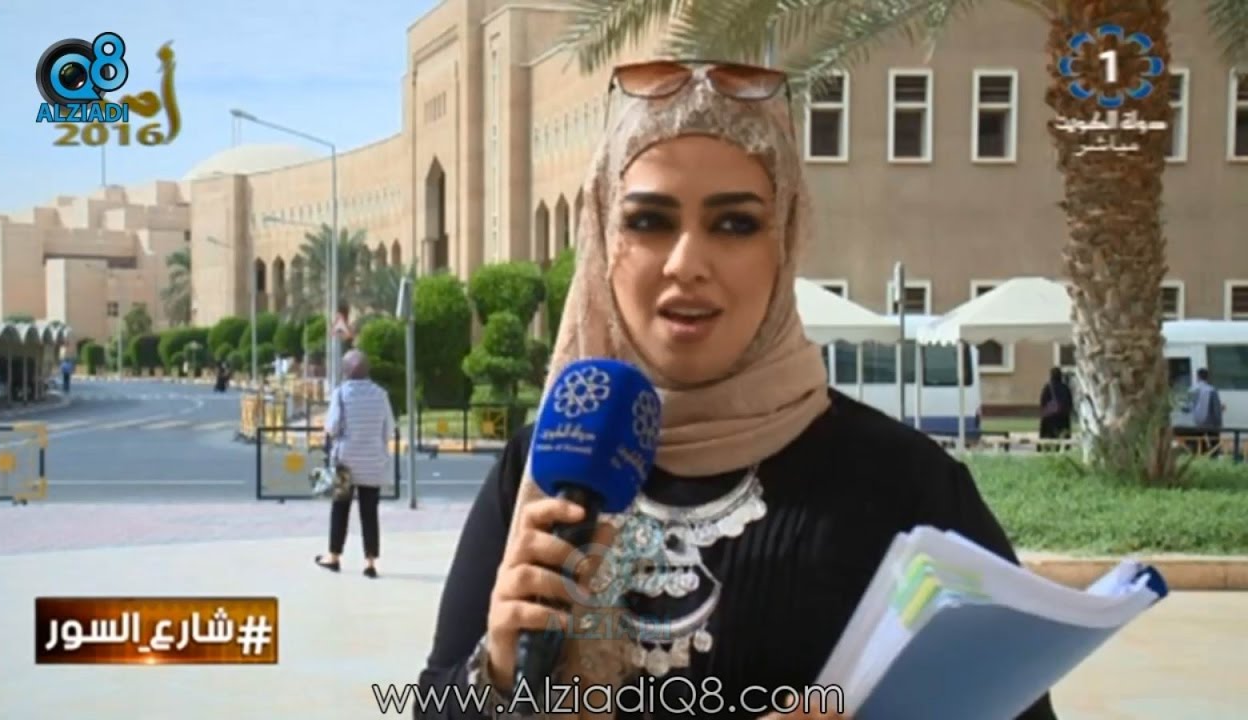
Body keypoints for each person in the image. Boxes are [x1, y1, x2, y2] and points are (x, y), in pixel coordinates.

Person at [415, 60, 1057, 719]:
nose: (686, 263)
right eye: (648, 221)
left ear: (785, 243)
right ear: (604, 240)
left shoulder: (906, 487)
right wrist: (498, 672)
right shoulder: (544, 467)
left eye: (734, 225)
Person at [314, 349, 395, 578]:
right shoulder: (381, 394)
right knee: (369, 512)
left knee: (340, 508)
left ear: (346, 371)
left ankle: (334, 557)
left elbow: (332, 427)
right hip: (373, 462)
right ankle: (370, 562)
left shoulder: (341, 394)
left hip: (344, 461)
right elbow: (389, 429)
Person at [1189, 368, 1224, 457]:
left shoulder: (1192, 390)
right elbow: (1216, 409)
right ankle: (1213, 458)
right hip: (1210, 423)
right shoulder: (1212, 390)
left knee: (1199, 443)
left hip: (1195, 423)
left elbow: (1188, 407)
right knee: (1214, 443)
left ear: (1198, 377)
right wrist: (1219, 423)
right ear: (1207, 377)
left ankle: (1200, 457)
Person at [1038, 367, 1074, 448]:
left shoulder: (1048, 387)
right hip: (1063, 417)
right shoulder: (1065, 388)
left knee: (1050, 435)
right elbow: (1070, 402)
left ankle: (1047, 447)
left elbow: (1043, 402)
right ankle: (1065, 447)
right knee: (1063, 434)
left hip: (1050, 417)